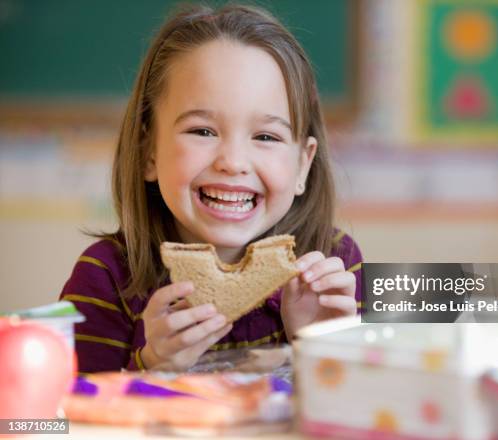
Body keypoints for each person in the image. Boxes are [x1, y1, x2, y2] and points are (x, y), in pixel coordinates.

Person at [60, 3, 362, 373]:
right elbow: (67, 418)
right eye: (202, 131)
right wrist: (151, 365)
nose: (233, 162)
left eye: (266, 136)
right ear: (148, 152)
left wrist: (321, 349)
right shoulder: (105, 276)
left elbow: (383, 409)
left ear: (303, 164)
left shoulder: (337, 265)